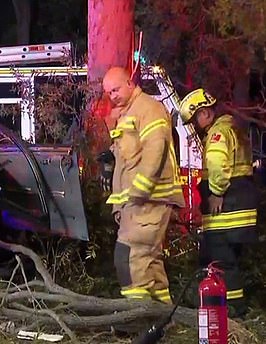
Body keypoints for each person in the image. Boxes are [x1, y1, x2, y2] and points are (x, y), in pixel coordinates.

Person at [100, 66, 185, 304]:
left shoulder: (148, 109)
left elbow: (155, 150)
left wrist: (139, 191)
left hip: (148, 200)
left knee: (130, 257)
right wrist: (120, 204)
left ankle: (137, 320)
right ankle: (161, 317)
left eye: (115, 89)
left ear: (130, 83)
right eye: (108, 92)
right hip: (137, 203)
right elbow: (127, 161)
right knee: (151, 263)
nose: (112, 95)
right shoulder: (128, 114)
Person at [178, 88, 257, 318]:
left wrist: (216, 192)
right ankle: (230, 308)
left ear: (204, 113)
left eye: (194, 120)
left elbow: (217, 163)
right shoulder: (233, 127)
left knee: (221, 263)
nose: (195, 125)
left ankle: (229, 311)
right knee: (229, 262)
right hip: (240, 214)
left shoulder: (218, 133)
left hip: (227, 214)